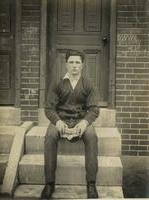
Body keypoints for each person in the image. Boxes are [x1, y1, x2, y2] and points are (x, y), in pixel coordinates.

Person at [42, 50, 100, 199]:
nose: (74, 66)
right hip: (61, 119)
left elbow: (94, 109)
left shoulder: (88, 84)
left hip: (81, 120)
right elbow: (49, 108)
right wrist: (57, 121)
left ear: (82, 65)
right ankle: (49, 183)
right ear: (66, 64)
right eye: (71, 62)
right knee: (49, 136)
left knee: (92, 136)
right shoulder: (57, 83)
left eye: (78, 62)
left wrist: (85, 122)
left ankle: (91, 184)